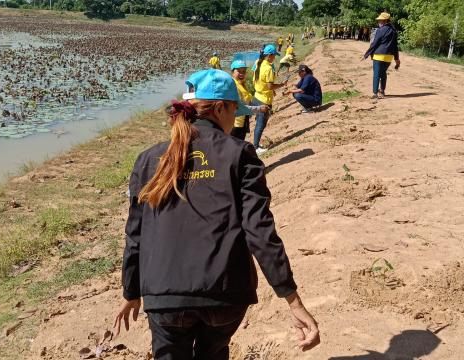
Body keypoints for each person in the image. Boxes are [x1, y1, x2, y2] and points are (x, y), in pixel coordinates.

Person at [114, 68, 320, 360]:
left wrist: (131, 291)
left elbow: (135, 234)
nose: (235, 119)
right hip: (225, 294)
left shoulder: (148, 160)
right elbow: (259, 230)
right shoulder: (240, 153)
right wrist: (292, 300)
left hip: (163, 295)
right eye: (235, 110)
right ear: (221, 107)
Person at [251, 44, 288, 155]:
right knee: (261, 124)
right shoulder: (268, 68)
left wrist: (271, 90)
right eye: (274, 56)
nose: (275, 58)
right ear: (270, 55)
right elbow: (270, 86)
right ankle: (256, 147)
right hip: (264, 100)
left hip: (256, 96)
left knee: (258, 122)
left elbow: (256, 79)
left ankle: (255, 144)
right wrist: (282, 84)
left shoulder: (258, 62)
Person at [363, 12, 400, 99]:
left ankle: (375, 93)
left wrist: (366, 54)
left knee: (376, 74)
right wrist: (396, 58)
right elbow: (395, 46)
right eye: (379, 20)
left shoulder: (380, 30)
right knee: (383, 73)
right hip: (388, 57)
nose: (379, 22)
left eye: (380, 20)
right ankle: (382, 91)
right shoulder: (394, 31)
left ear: (385, 21)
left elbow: (375, 43)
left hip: (379, 55)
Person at [230, 60, 268, 140]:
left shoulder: (241, 84)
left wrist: (260, 104)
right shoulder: (234, 86)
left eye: (244, 71)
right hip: (235, 124)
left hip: (242, 121)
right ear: (232, 72)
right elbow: (239, 108)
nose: (242, 74)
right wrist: (259, 108)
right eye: (239, 71)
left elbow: (249, 99)